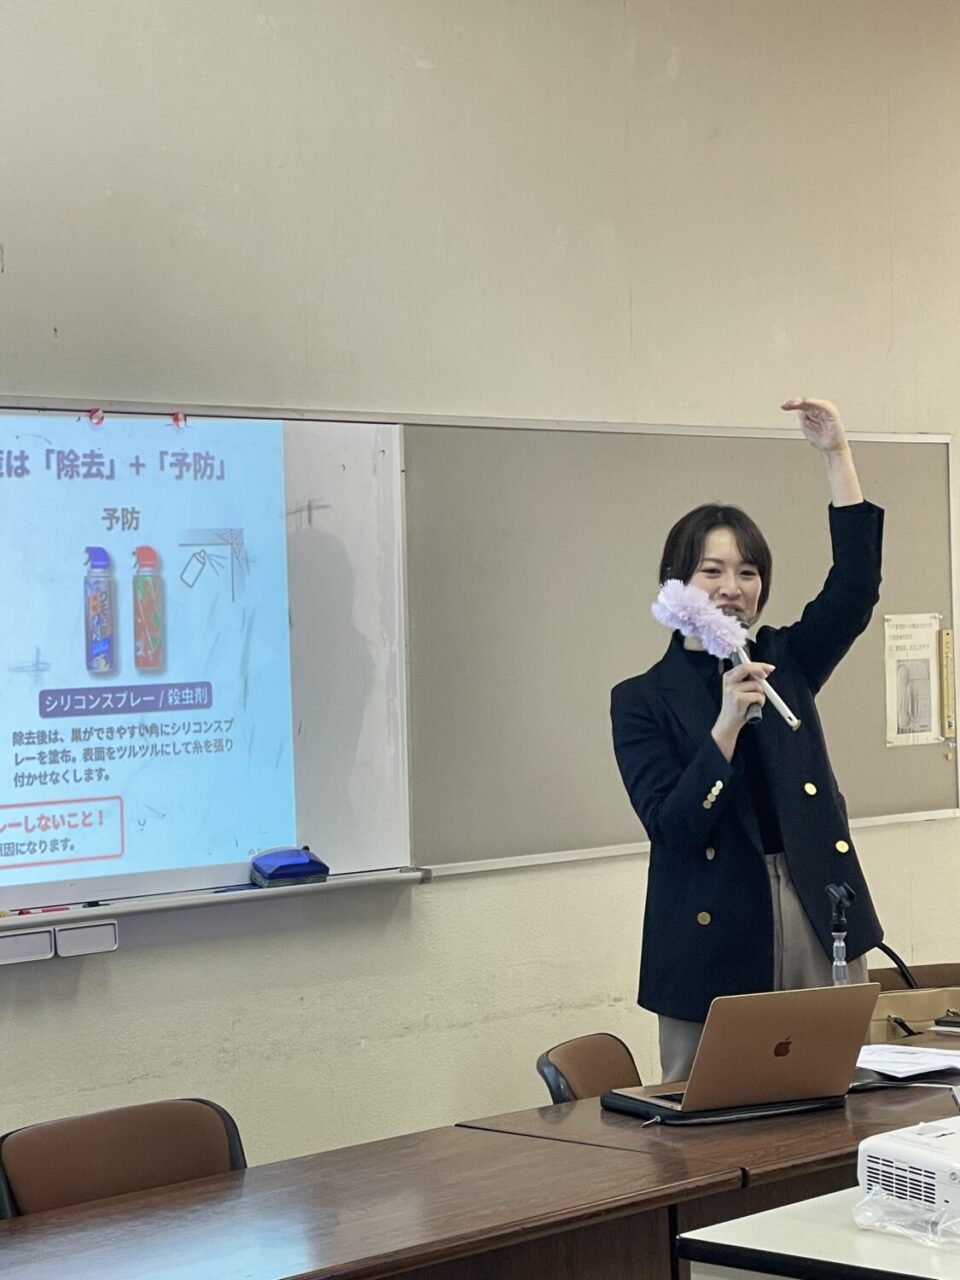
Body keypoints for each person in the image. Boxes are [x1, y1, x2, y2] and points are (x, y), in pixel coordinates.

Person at [610, 398, 884, 1082]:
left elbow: (855, 589)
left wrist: (837, 457)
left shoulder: (784, 661)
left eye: (748, 572)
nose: (732, 588)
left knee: (836, 1093)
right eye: (712, 571)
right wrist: (725, 727)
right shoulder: (640, 698)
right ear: (676, 583)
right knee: (713, 1110)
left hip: (816, 904)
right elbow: (672, 828)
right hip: (713, 927)